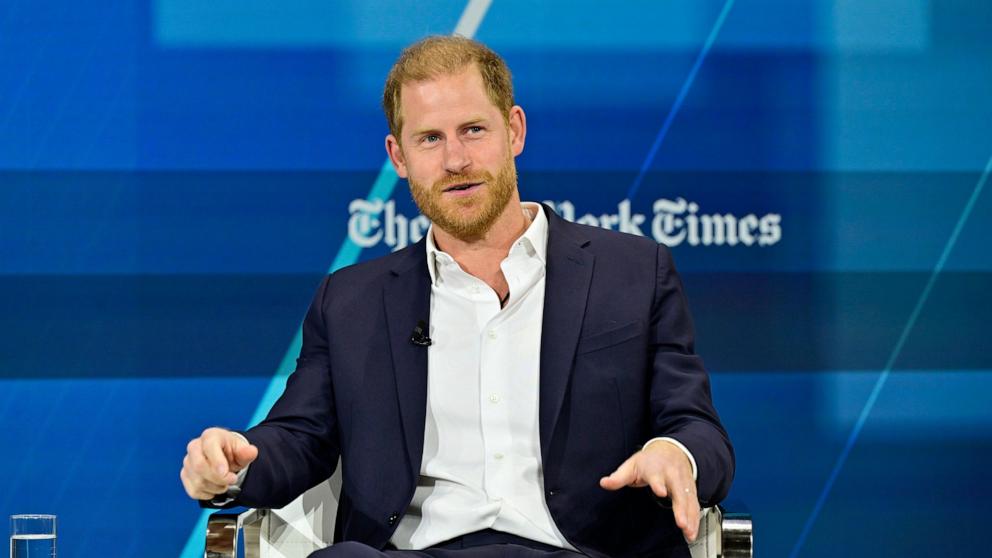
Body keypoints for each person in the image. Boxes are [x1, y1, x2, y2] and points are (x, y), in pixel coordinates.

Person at [180, 36, 734, 558]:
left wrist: (675, 454)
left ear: (514, 131)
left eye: (473, 130)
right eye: (430, 139)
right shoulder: (349, 301)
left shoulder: (632, 273)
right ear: (398, 157)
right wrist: (235, 467)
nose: (455, 161)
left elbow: (697, 428)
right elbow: (300, 438)